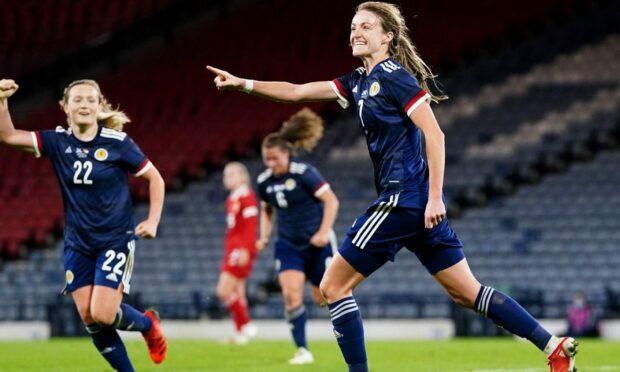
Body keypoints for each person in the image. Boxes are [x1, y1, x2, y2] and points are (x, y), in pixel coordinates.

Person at [205, 2, 578, 371]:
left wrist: (435, 196)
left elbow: (435, 134)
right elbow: (298, 92)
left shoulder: (394, 76)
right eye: (353, 26)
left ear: (387, 36)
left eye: (366, 26)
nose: (356, 32)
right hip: (413, 205)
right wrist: (244, 84)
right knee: (467, 292)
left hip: (404, 198)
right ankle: (552, 344)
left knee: (332, 286)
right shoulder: (357, 81)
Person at [0, 79, 167, 371]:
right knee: (89, 318)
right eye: (77, 100)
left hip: (115, 238)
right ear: (65, 107)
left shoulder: (118, 143)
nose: (85, 105)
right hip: (78, 242)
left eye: (91, 100)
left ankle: (147, 324)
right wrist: (2, 101)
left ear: (100, 106)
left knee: (102, 313)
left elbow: (155, 178)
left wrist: (152, 220)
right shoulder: (57, 141)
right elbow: (9, 136)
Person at [255, 108, 339, 364]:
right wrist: (264, 236)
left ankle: (346, 331)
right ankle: (303, 349)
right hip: (288, 245)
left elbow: (331, 202)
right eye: (266, 159)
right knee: (290, 294)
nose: (271, 164)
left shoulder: (305, 173)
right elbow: (267, 210)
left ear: (287, 153)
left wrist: (324, 233)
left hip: (317, 243)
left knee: (322, 297)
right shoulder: (264, 181)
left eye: (275, 159)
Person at [217, 161, 259, 344]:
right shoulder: (232, 198)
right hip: (232, 248)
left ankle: (247, 324)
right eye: (226, 174)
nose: (227, 178)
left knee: (223, 291)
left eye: (232, 174)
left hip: (239, 249)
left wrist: (246, 250)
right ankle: (241, 333)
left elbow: (251, 226)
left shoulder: (247, 196)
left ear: (243, 176)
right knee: (238, 292)